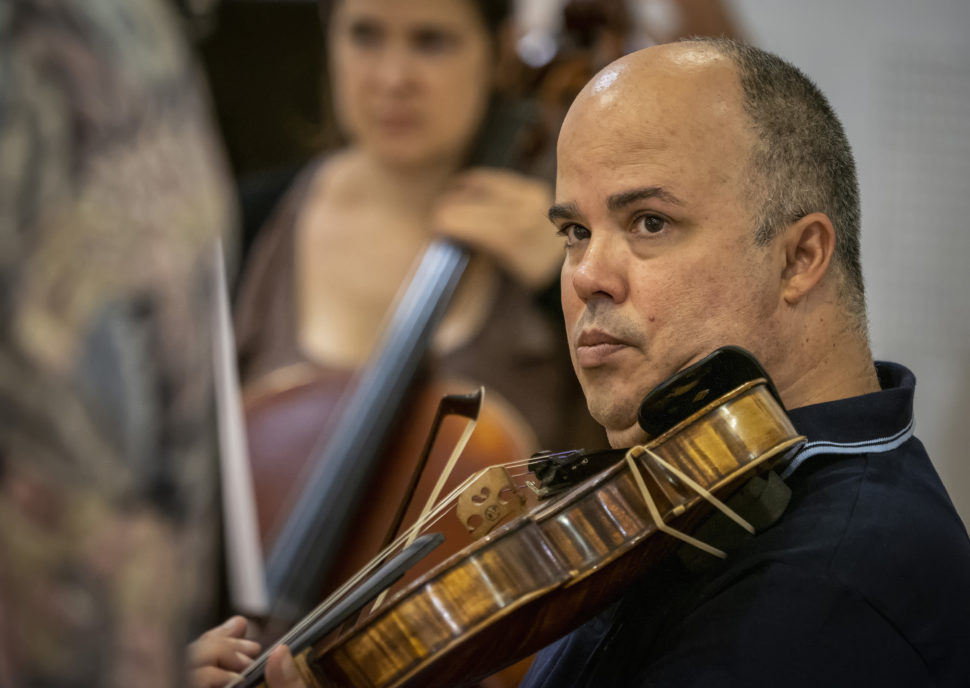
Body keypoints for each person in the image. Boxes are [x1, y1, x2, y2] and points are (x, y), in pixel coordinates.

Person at [519, 37, 970, 686]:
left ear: (800, 258)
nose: (587, 275)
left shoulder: (828, 590)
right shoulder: (695, 498)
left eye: (650, 223)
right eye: (575, 233)